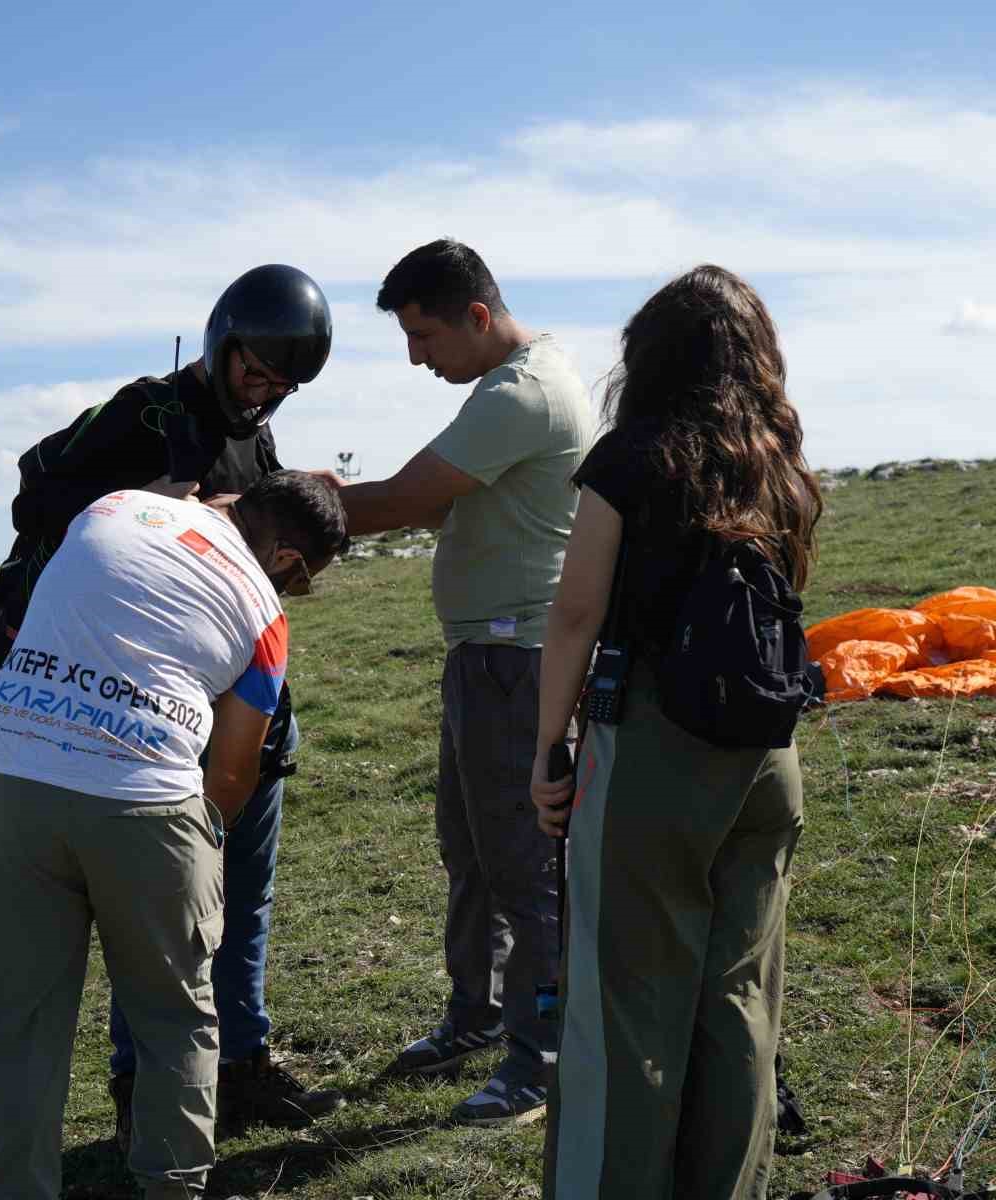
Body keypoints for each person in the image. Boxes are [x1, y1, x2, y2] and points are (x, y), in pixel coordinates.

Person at [0, 264, 346, 1143]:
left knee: (242, 898)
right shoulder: (146, 411)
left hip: (230, 702)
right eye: (256, 370)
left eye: (285, 384)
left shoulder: (258, 441)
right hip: (126, 723)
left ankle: (240, 1066)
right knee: (158, 923)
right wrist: (168, 504)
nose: (266, 393)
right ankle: (144, 1088)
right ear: (223, 342)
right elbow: (37, 489)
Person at [529, 265, 820, 1199]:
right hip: (768, 759)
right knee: (738, 1001)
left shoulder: (632, 455)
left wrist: (549, 751)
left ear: (648, 356)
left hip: (653, 749)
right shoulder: (780, 462)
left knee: (626, 1009)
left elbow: (576, 613)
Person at [339, 239, 593, 1124]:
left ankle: (539, 1055)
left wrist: (263, 512)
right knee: (472, 851)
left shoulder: (520, 395)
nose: (416, 358)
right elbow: (438, 497)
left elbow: (406, 499)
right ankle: (477, 1016)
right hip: (485, 658)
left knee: (523, 865)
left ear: (476, 317)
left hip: (514, 661)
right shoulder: (505, 387)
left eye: (423, 336)